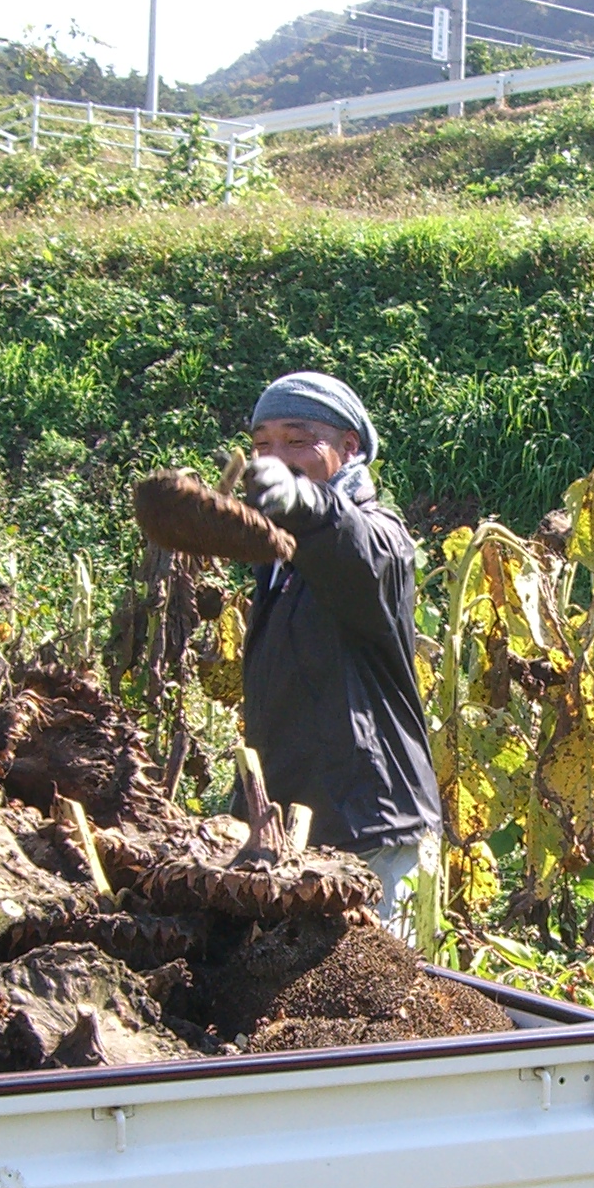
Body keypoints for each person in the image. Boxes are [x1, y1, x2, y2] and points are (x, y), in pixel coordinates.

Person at [237, 371, 442, 932]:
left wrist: (303, 501)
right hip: (300, 830)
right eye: (262, 445)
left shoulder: (381, 536)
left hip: (372, 829)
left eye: (297, 441)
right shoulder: (279, 560)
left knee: (380, 1006)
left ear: (349, 447)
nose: (274, 458)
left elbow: (354, 549)